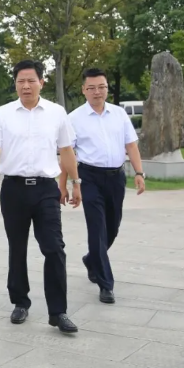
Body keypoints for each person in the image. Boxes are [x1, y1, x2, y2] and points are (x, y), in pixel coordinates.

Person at [0, 59, 82, 333]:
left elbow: (66, 150)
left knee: (54, 248)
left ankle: (58, 312)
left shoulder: (56, 113)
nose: (25, 86)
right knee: (17, 247)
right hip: (13, 189)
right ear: (15, 84)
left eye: (30, 80)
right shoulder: (3, 114)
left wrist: (75, 182)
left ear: (41, 82)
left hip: (46, 189)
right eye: (20, 81)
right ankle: (20, 302)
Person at [59, 68, 146, 305]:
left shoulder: (119, 114)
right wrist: (64, 185)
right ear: (83, 90)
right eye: (92, 88)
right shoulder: (74, 118)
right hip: (89, 177)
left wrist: (139, 173)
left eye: (101, 87)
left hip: (116, 177)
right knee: (97, 228)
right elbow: (67, 154)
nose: (97, 92)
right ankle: (106, 284)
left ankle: (92, 259)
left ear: (107, 88)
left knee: (112, 228)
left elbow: (131, 145)